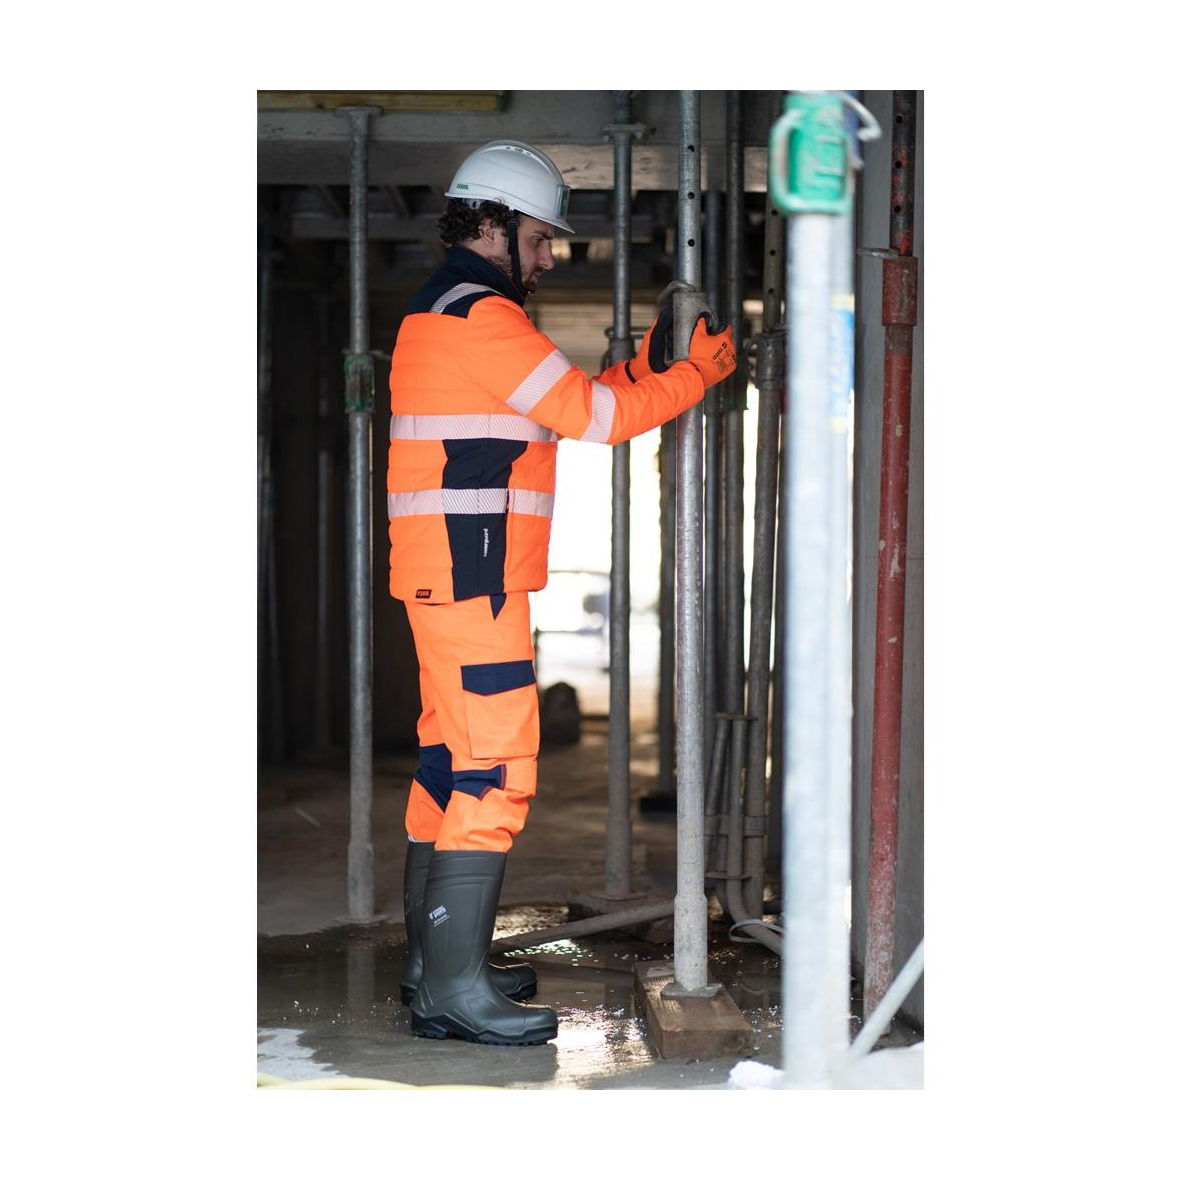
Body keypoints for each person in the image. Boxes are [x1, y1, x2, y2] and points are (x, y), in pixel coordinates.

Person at [386, 139, 736, 1046]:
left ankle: (438, 964)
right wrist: (696, 373)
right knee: (494, 770)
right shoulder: (484, 318)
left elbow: (572, 400)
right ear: (492, 224)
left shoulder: (447, 309)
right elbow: (598, 419)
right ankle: (452, 990)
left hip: (451, 576)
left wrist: (648, 371)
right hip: (473, 579)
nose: (549, 257)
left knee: (450, 761)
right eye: (541, 239)